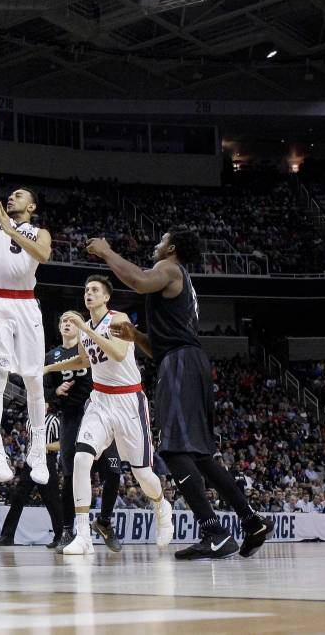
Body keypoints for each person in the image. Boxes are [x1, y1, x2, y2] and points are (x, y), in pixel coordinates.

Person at [89, 228, 273, 560]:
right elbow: (160, 348)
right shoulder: (178, 279)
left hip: (182, 364)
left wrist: (107, 253)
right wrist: (135, 335)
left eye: (161, 239)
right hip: (186, 360)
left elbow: (139, 281)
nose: (156, 243)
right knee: (199, 455)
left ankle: (215, 532)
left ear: (171, 247)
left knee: (173, 451)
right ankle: (252, 522)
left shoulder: (170, 269)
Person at [45, 276, 172, 556]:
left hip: (128, 400)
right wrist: (46, 370)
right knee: (80, 458)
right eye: (86, 289)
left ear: (105, 298)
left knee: (143, 474)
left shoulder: (118, 318)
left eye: (94, 290)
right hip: (100, 400)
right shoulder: (86, 327)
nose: (88, 293)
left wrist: (83, 330)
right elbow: (83, 360)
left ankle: (162, 505)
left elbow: (116, 352)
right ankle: (83, 536)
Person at [0, 105, 52, 486]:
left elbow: (43, 256)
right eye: (10, 196)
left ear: (31, 207)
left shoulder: (40, 232)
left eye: (18, 195)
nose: (11, 198)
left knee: (35, 380)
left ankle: (37, 451)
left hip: (28, 305)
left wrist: (11, 227)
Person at [44, 311, 122, 552]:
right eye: (63, 321)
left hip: (99, 412)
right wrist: (56, 392)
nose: (67, 324)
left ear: (80, 326)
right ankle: (69, 529)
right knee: (70, 475)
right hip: (71, 418)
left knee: (113, 470)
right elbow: (45, 392)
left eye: (71, 321)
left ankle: (105, 521)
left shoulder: (90, 348)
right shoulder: (52, 356)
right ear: (58, 327)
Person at [0, 409, 62, 547]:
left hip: (46, 461)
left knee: (52, 500)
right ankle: (7, 535)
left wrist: (43, 446)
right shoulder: (30, 421)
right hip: (30, 461)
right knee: (18, 496)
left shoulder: (54, 421)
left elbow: (61, 443)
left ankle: (60, 537)